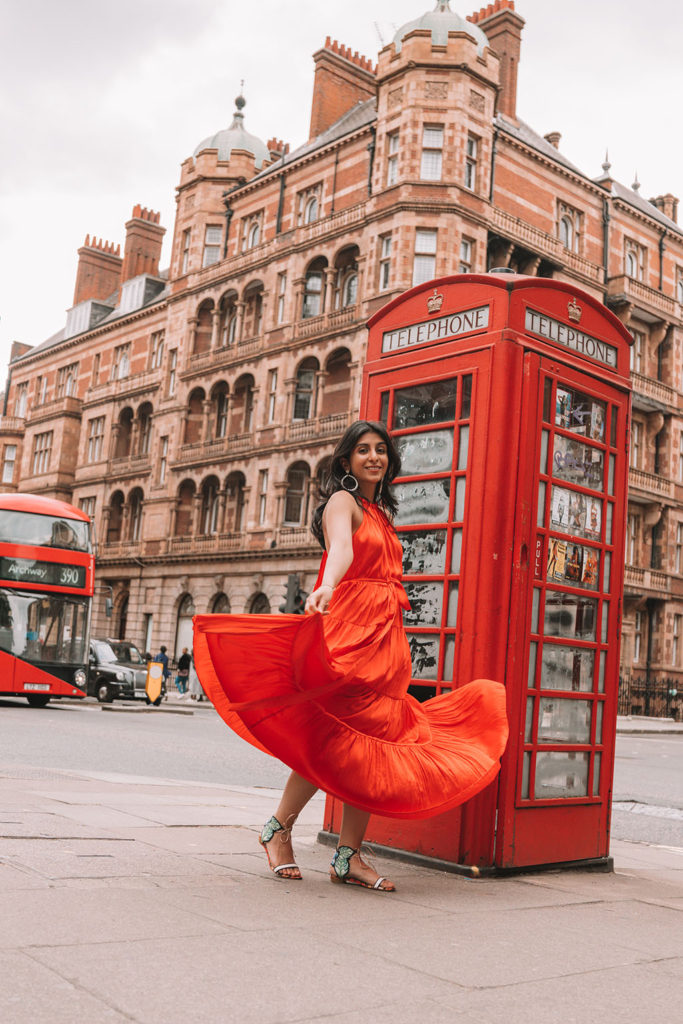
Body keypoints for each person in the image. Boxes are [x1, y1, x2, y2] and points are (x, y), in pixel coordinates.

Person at [194, 421, 508, 892]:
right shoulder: (343, 503)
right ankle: (278, 829)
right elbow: (340, 548)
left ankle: (348, 856)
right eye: (363, 450)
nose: (374, 457)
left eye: (381, 450)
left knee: (372, 742)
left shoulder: (378, 511)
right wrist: (326, 585)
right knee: (334, 740)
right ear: (346, 461)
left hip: (385, 635)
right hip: (352, 628)